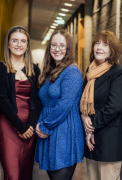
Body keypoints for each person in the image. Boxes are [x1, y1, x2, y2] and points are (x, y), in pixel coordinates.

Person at [0, 26, 41, 180]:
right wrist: (21, 126)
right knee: (12, 174)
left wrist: (30, 126)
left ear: (27, 45)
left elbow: (37, 100)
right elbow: (1, 100)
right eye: (15, 40)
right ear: (8, 44)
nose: (19, 44)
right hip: (8, 125)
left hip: (29, 127)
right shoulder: (0, 68)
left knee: (26, 173)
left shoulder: (35, 70)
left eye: (22, 41)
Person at [80, 30, 122, 180]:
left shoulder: (120, 73)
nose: (99, 48)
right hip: (91, 142)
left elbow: (113, 107)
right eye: (97, 43)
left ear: (112, 50)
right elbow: (82, 101)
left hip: (109, 140)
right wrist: (84, 118)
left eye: (105, 45)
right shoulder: (90, 71)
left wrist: (91, 127)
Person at [35, 30, 84, 180]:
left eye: (62, 45)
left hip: (64, 131)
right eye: (54, 45)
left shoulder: (72, 72)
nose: (57, 49)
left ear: (68, 48)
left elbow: (64, 106)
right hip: (50, 130)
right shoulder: (50, 71)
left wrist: (44, 126)